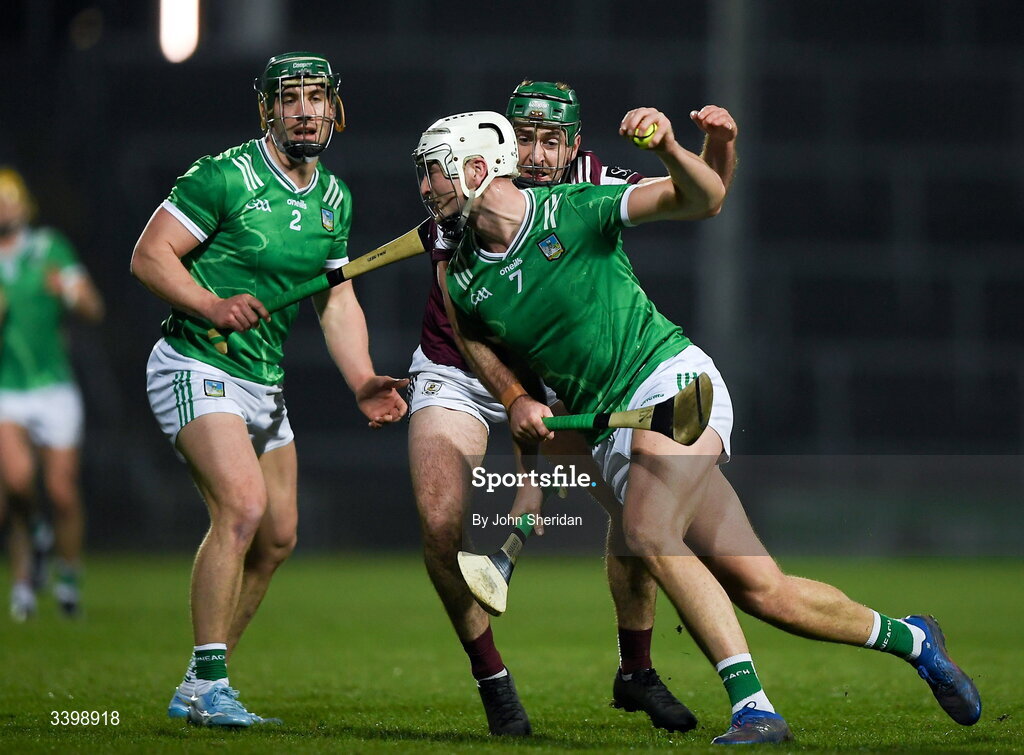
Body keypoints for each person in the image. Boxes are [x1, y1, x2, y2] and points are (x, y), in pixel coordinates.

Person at [414, 108, 982, 744]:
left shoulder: (576, 208)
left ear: (474, 168)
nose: (425, 189)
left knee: (648, 531)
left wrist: (689, 146)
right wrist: (516, 398)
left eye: (433, 172)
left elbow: (705, 198)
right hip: (609, 429)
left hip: (671, 385)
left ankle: (754, 709)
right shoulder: (460, 275)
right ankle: (915, 640)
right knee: (764, 590)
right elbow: (477, 347)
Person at [406, 80, 738, 736]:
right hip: (463, 366)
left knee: (636, 519)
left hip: (559, 370)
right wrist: (513, 403)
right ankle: (494, 682)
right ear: (493, 147)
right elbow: (472, 333)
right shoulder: (463, 205)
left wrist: (716, 145)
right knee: (442, 524)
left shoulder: (588, 185)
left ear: (573, 147)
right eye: (521, 137)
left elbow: (701, 198)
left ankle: (635, 668)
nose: (532, 153)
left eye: (548, 140)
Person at [130, 52, 408, 728]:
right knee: (243, 508)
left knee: (279, 536)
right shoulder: (223, 176)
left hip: (262, 379)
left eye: (317, 97)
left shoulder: (335, 198)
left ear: (334, 107)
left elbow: (335, 300)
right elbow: (148, 255)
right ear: (269, 110)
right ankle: (212, 684)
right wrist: (210, 304)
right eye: (291, 99)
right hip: (197, 361)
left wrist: (362, 378)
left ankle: (200, 682)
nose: (305, 110)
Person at [0, 167, 104, 622]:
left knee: (61, 490)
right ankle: (24, 578)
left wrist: (66, 289)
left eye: (9, 198)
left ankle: (67, 573)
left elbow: (93, 308)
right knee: (18, 483)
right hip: (8, 387)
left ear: (24, 205)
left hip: (54, 386)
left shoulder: (49, 248)